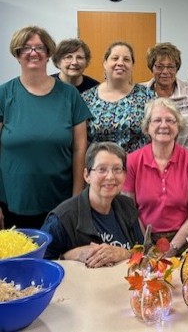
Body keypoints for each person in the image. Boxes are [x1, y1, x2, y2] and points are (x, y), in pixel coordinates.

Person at [0, 25, 90, 229]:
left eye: (39, 48)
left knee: (60, 259)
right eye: (26, 47)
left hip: (60, 203)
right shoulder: (4, 94)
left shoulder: (69, 95)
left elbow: (79, 149)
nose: (33, 53)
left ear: (48, 53)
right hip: (13, 202)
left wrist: (76, 200)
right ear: (17, 54)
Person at [124, 98, 188, 257]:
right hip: (143, 239)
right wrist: (147, 246)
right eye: (157, 120)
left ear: (178, 127)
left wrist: (173, 247)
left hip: (184, 240)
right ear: (147, 127)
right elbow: (130, 210)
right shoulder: (132, 161)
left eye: (170, 120)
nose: (164, 125)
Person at [42, 142, 143, 267]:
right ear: (87, 175)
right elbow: (39, 266)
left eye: (117, 169)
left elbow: (143, 253)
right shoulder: (61, 219)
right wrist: (68, 256)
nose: (110, 176)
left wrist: (124, 253)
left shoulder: (127, 206)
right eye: (102, 169)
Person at [81, 41, 155, 153]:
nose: (120, 63)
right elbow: (80, 142)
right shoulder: (87, 98)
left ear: (132, 65)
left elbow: (156, 135)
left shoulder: (148, 96)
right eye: (115, 58)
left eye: (126, 59)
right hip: (98, 167)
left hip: (135, 166)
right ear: (105, 63)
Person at [141, 42, 188, 150]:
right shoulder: (140, 92)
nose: (165, 71)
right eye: (159, 66)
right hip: (148, 159)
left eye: (170, 67)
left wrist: (182, 157)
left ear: (177, 68)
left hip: (184, 158)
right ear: (152, 68)